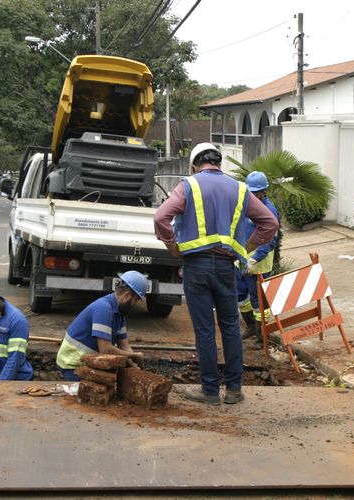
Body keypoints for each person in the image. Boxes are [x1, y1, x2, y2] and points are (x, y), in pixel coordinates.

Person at [153, 143, 278, 406]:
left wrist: (172, 246)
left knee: (205, 331)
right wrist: (247, 247)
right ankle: (234, 390)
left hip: (196, 267)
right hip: (226, 267)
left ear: (194, 164)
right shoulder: (240, 188)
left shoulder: (189, 185)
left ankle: (209, 391)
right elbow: (270, 223)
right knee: (231, 328)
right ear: (219, 163)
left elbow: (161, 217)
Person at [56, 271, 147, 381]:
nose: (135, 304)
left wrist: (135, 368)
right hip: (71, 365)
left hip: (89, 362)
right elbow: (106, 349)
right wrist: (134, 356)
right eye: (136, 299)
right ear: (127, 295)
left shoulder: (120, 314)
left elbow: (124, 346)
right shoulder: (103, 308)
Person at [237, 171, 281, 346]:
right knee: (240, 295)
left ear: (264, 192)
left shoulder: (269, 211)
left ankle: (261, 335)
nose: (253, 196)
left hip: (259, 263)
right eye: (251, 192)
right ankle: (249, 326)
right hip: (242, 260)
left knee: (259, 301)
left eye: (256, 193)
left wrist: (254, 259)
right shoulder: (246, 205)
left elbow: (270, 240)